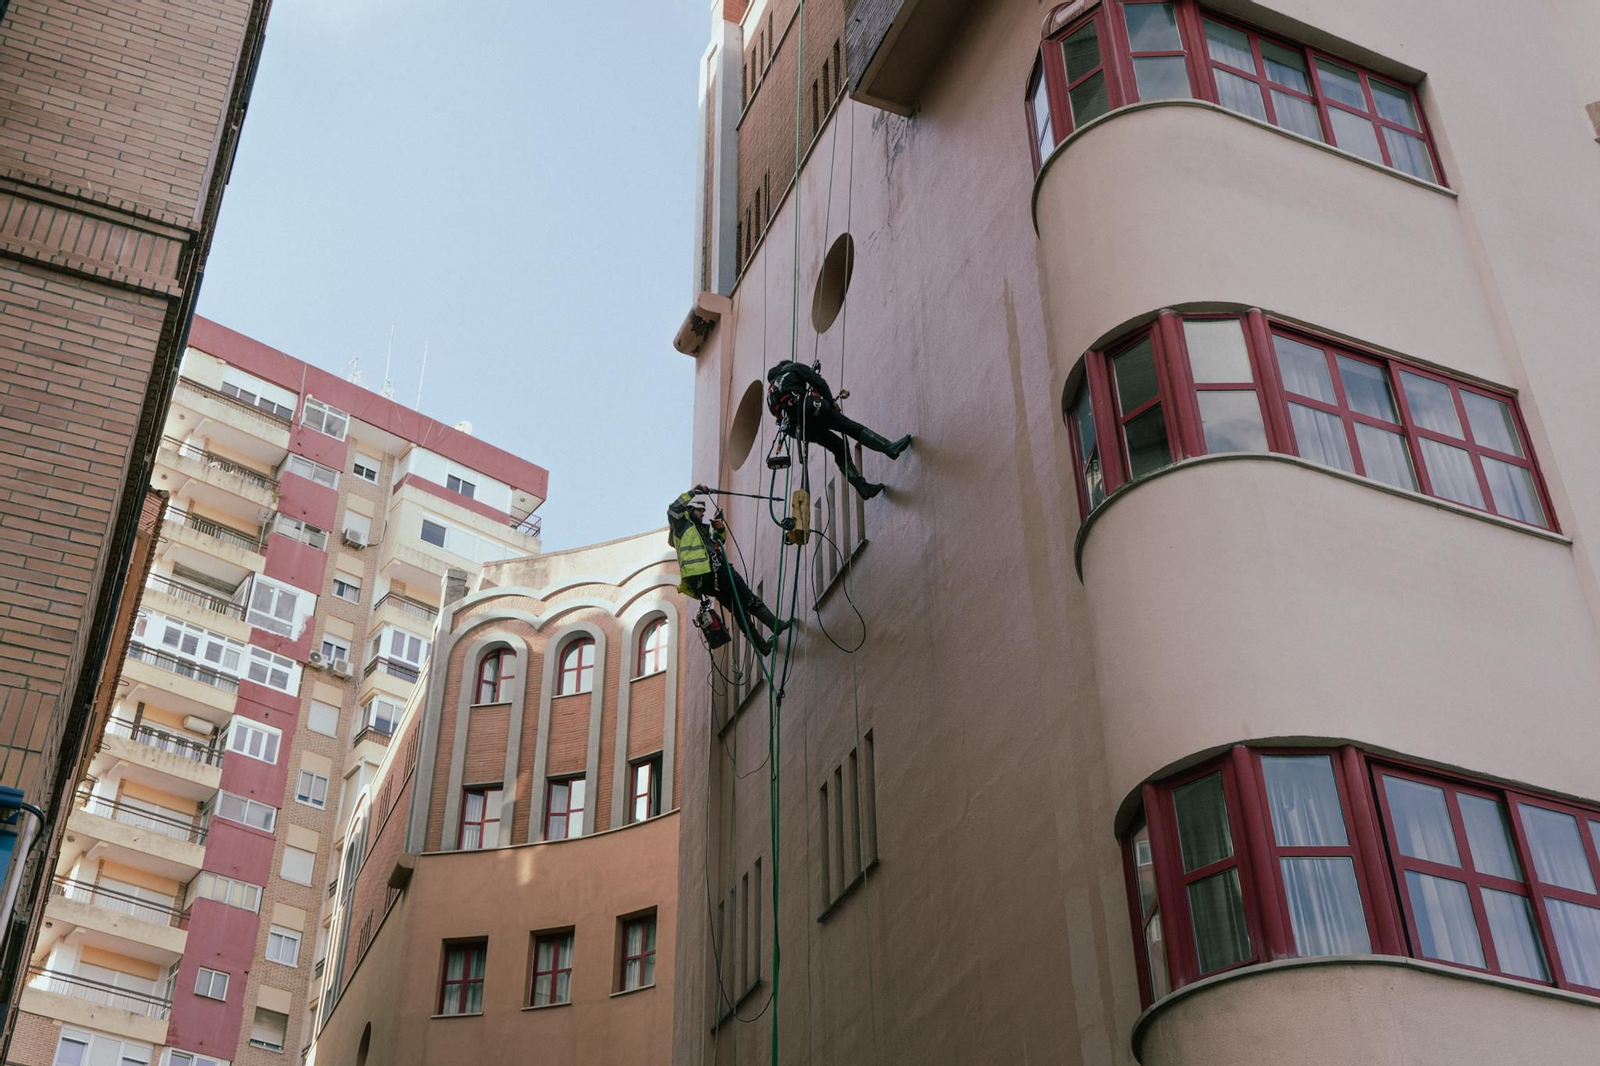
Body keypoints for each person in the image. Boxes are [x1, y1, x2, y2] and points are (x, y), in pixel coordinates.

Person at [667, 486, 791, 656]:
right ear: (689, 509)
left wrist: (719, 528)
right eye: (699, 511)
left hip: (710, 579)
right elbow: (673, 509)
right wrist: (694, 491)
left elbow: (718, 543)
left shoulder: (700, 530)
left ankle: (764, 644)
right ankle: (774, 625)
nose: (702, 514)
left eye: (703, 511)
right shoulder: (681, 525)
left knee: (740, 609)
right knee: (746, 598)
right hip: (714, 573)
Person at [766, 359, 911, 499]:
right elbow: (818, 382)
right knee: (848, 426)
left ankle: (862, 487)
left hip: (798, 429)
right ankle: (889, 448)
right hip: (809, 409)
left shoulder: (771, 394)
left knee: (838, 446)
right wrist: (831, 402)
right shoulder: (793, 368)